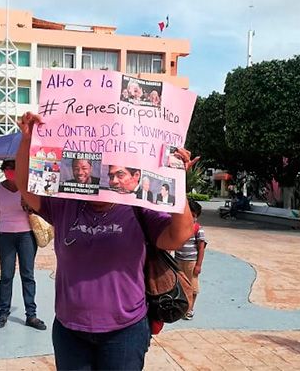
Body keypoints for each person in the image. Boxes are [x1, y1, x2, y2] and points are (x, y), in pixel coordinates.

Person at [15, 112, 199, 370]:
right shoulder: (64, 205)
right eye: (96, 170)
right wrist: (26, 141)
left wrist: (177, 181)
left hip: (124, 332)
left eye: (113, 173)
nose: (105, 178)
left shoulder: (138, 209)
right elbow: (25, 186)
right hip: (70, 331)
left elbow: (178, 236)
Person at [0, 160, 47, 331]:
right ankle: (3, 312)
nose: (10, 172)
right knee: (6, 275)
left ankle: (31, 315)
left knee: (28, 275)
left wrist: (30, 207)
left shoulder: (29, 187)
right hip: (5, 236)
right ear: (4, 171)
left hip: (26, 235)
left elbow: (42, 209)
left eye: (14, 169)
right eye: (7, 169)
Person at [174, 199, 207, 320]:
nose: (193, 218)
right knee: (180, 285)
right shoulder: (180, 227)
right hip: (178, 260)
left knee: (192, 287)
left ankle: (190, 309)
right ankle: (181, 307)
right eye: (191, 215)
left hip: (191, 262)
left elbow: (201, 248)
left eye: (195, 216)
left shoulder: (198, 229)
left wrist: (198, 265)